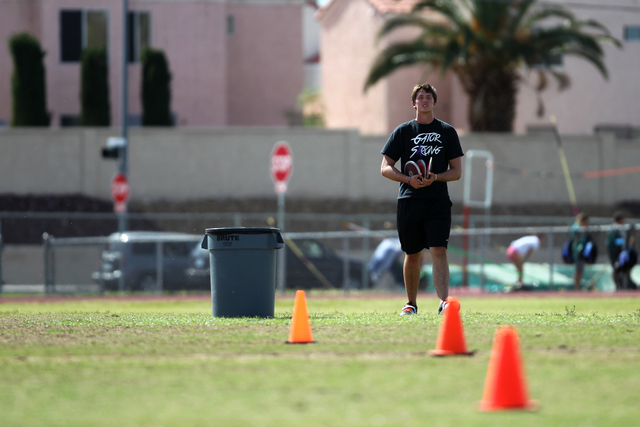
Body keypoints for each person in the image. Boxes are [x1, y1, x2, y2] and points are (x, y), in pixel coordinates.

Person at [380, 83, 463, 315]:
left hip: (437, 201)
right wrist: (408, 180)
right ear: (413, 103)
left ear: (434, 102)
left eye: (428, 97)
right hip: (409, 199)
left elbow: (456, 171)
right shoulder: (403, 132)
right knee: (412, 252)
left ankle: (443, 302)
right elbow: (385, 167)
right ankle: (411, 303)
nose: (424, 100)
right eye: (420, 97)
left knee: (439, 249)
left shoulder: (447, 132)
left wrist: (435, 177)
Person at [606, 211, 626, 289]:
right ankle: (617, 285)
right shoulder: (614, 229)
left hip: (621, 253)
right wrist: (624, 243)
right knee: (615, 268)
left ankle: (621, 285)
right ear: (619, 220)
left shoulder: (621, 228)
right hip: (615, 253)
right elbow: (612, 242)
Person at [570, 212, 590, 291]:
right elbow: (574, 237)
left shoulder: (583, 229)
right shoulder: (576, 228)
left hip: (583, 252)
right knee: (578, 270)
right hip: (578, 252)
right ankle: (576, 288)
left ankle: (577, 287)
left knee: (580, 270)